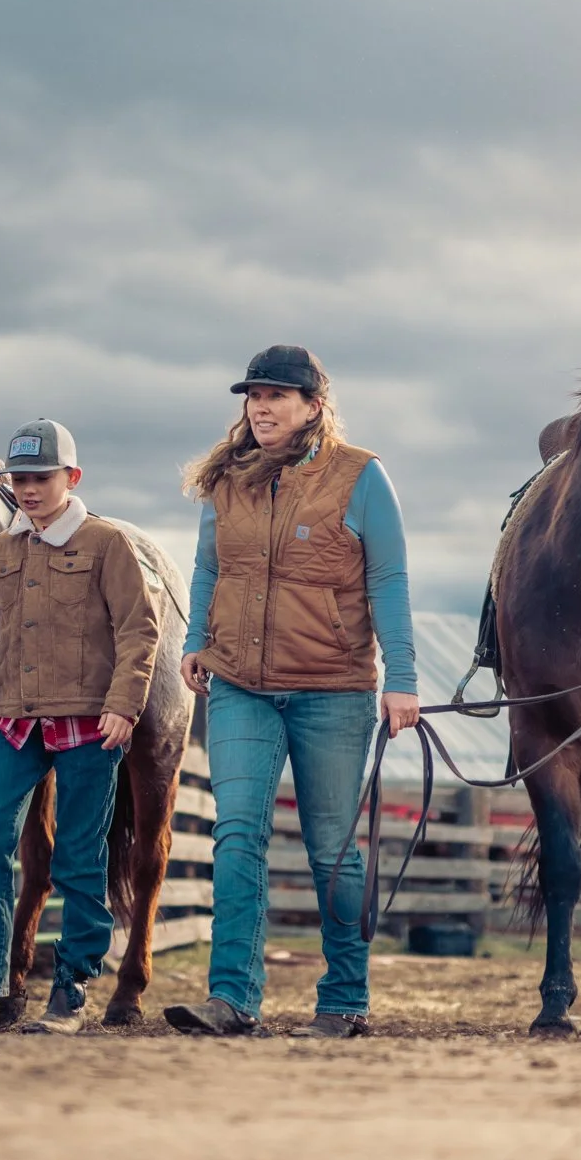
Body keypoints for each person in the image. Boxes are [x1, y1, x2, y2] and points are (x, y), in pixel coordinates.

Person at [164, 346, 420, 1040]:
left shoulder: (360, 476)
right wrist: (196, 639)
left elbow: (388, 582)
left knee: (332, 849)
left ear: (313, 405)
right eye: (253, 395)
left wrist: (401, 680)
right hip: (241, 686)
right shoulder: (228, 480)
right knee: (236, 834)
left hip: (331, 690)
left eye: (277, 395)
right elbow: (206, 567)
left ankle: (343, 998)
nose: (261, 406)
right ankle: (231, 999)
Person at [0, 418, 160, 1035]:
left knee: (79, 859)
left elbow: (139, 630)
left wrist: (124, 705)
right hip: (18, 726)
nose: (27, 490)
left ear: (71, 478)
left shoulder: (106, 544)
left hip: (89, 727)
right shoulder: (0, 553)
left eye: (40, 478)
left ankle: (70, 994)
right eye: (19, 479)